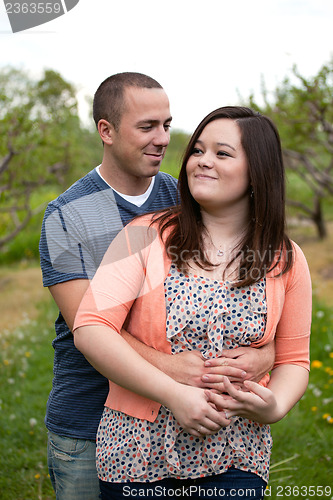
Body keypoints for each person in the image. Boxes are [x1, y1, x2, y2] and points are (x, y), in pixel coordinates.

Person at [40, 72, 273, 500]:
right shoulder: (64, 217)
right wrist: (174, 370)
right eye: (147, 127)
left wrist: (267, 352)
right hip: (88, 423)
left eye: (167, 124)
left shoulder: (181, 196)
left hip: (177, 424)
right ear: (106, 131)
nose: (163, 138)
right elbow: (87, 327)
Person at [73, 106, 312, 500]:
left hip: (236, 454)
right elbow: (91, 328)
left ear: (258, 171)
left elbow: (294, 360)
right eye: (198, 150)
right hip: (137, 452)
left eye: (222, 153)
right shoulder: (143, 235)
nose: (202, 161)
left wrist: (275, 406)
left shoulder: (284, 258)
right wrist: (173, 394)